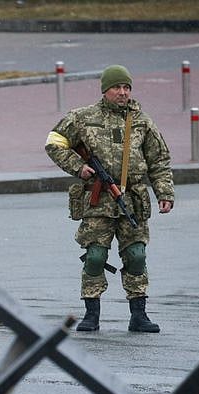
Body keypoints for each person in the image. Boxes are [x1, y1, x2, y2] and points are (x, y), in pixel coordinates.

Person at [45, 64, 175, 333]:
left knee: (136, 255)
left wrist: (165, 193)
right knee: (95, 257)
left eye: (126, 87)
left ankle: (139, 314)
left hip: (133, 200)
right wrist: (77, 167)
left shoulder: (141, 121)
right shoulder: (83, 117)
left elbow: (159, 160)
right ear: (105, 90)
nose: (123, 92)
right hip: (98, 200)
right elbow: (54, 141)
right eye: (117, 87)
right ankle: (91, 314)